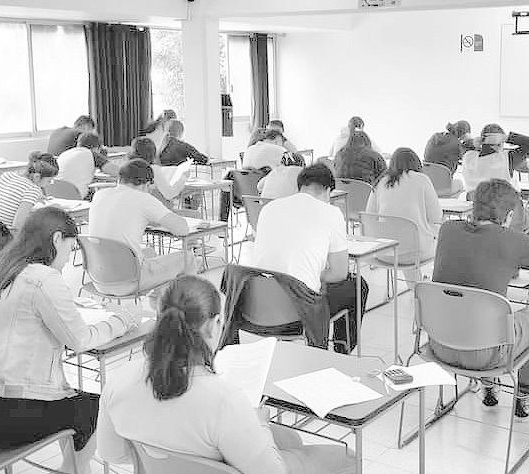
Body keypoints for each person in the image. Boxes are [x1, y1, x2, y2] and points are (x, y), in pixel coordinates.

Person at [97, 276, 354, 474]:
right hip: (244, 449)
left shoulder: (119, 381)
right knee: (348, 458)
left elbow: (111, 453)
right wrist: (259, 423)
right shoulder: (224, 401)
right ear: (213, 325)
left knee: (291, 438)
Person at [0, 207, 142, 474]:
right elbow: (80, 340)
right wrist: (122, 321)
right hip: (12, 412)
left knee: (70, 403)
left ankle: (75, 468)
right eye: (70, 249)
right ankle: (72, 469)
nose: (68, 259)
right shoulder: (43, 278)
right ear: (57, 239)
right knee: (96, 408)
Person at [432, 178, 529, 420]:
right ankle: (525, 397)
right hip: (486, 355)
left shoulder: (447, 230)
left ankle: (489, 385)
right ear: (509, 216)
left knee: (481, 314)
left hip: (439, 344)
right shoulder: (515, 241)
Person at [251, 164, 367, 350]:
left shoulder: (269, 208)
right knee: (358, 285)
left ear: (300, 187)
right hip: (299, 310)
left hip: (259, 306)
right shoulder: (331, 213)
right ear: (328, 191)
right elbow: (339, 273)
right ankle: (341, 352)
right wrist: (313, 271)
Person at [88, 159, 199, 293]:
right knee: (188, 258)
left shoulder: (100, 195)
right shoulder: (143, 198)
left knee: (150, 252)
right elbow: (182, 229)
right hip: (129, 281)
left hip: (99, 279)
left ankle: (158, 299)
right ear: (146, 184)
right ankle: (188, 303)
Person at [365, 148, 442, 284]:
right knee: (429, 240)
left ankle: (415, 285)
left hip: (383, 253)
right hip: (415, 254)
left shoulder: (381, 182)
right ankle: (421, 286)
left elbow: (369, 217)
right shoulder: (422, 180)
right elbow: (436, 216)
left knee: (407, 237)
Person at [0, 152, 60, 230]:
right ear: (37, 177)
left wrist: (33, 198)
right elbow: (17, 227)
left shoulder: (6, 175)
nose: (49, 184)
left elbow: (12, 198)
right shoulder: (32, 190)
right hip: (7, 235)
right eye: (49, 180)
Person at [55, 132, 119, 199]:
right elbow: (118, 172)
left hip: (55, 194)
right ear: (97, 148)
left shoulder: (64, 154)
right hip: (75, 196)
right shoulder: (92, 154)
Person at [129, 136, 190, 206]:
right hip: (149, 208)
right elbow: (169, 194)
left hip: (132, 207)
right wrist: (183, 178)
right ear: (152, 153)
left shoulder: (127, 168)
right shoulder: (153, 170)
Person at [460, 124, 514, 194]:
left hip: (474, 198)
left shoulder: (468, 156)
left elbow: (463, 145)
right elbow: (528, 144)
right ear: (500, 143)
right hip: (497, 199)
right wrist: (507, 138)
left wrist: (473, 142)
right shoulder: (505, 158)